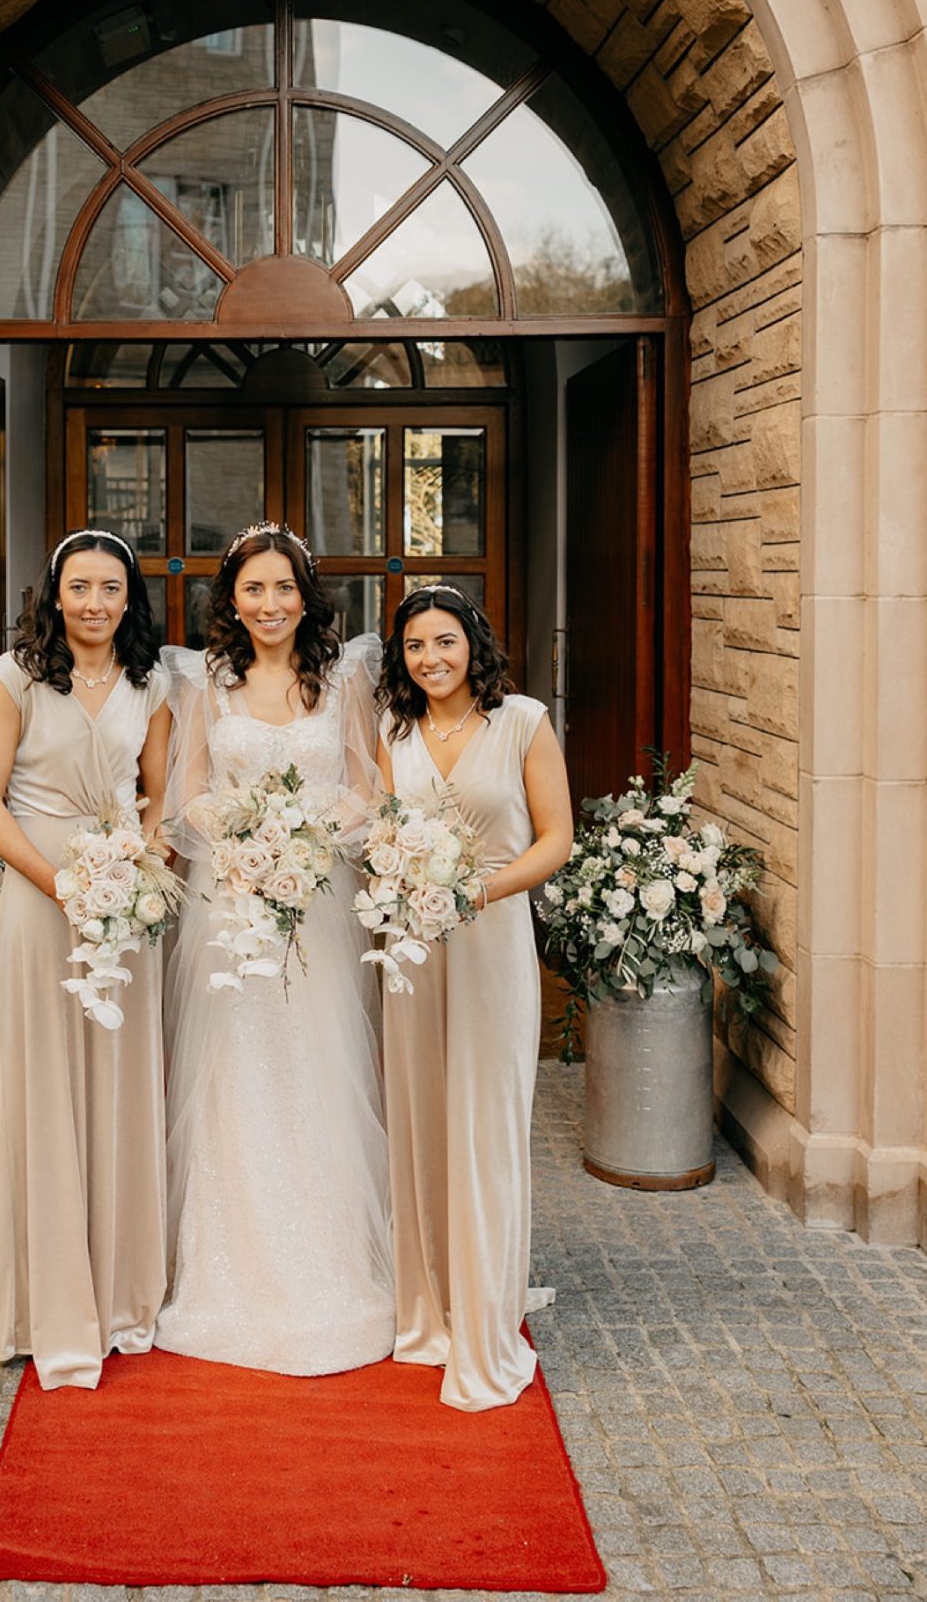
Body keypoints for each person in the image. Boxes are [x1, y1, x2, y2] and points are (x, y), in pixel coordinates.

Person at [154, 524, 394, 1374]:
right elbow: (186, 794)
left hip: (318, 899)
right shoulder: (203, 683)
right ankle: (228, 1270)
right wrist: (246, 838)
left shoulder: (342, 679)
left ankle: (329, 1262)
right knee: (234, 1066)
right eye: (253, 589)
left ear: (304, 596)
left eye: (283, 588)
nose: (269, 604)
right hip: (229, 902)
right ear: (231, 599)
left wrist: (305, 835)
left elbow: (367, 790)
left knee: (319, 1060)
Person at [0, 530, 172, 1391]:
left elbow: (161, 796)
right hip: (39, 890)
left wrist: (138, 864)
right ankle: (48, 1301)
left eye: (110, 588)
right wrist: (56, 883)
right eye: (79, 587)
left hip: (122, 895)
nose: (94, 603)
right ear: (54, 593)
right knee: (47, 1080)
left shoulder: (150, 682)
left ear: (129, 598)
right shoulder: (13, 677)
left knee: (121, 1081)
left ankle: (121, 1294)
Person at [375, 585, 573, 1410]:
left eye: (445, 642)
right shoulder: (393, 731)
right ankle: (429, 1304)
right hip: (413, 948)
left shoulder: (521, 721)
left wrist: (480, 891)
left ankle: (486, 1313)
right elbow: (380, 832)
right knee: (422, 1116)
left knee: (485, 1120)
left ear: (473, 644)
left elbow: (556, 838)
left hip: (491, 939)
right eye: (415, 646)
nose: (431, 659)